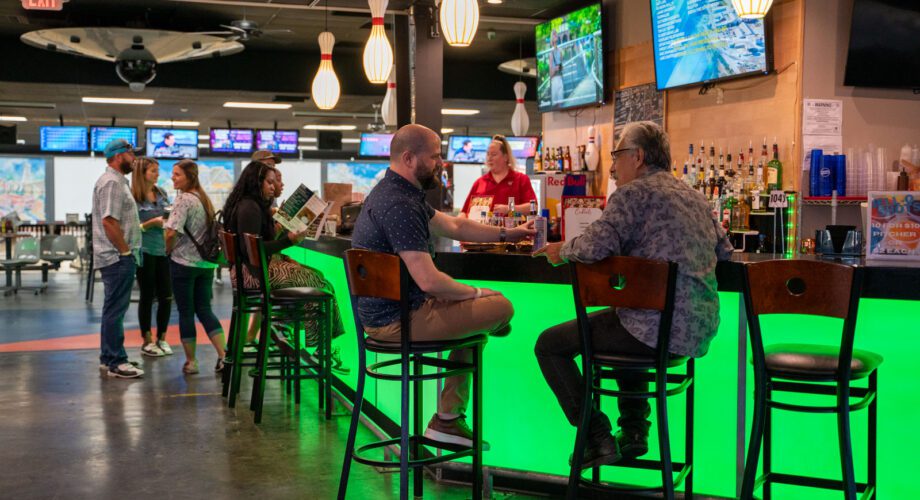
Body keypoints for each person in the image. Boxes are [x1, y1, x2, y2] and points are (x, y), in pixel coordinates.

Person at [535, 121, 734, 469]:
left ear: (638, 157)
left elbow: (594, 246)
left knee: (550, 345)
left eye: (617, 156)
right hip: (695, 332)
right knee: (627, 318)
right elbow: (726, 252)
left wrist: (563, 249)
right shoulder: (695, 196)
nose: (612, 167)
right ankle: (634, 432)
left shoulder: (631, 195)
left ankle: (596, 436)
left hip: (652, 331)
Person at [352, 124, 535, 448]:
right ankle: (447, 418)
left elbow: (454, 224)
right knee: (501, 305)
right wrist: (479, 294)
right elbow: (428, 280)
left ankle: (448, 421)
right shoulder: (400, 205)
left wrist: (509, 233)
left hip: (391, 315)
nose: (441, 163)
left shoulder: (394, 192)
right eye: (435, 157)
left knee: (476, 322)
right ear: (409, 158)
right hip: (399, 321)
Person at [222, 161, 349, 373]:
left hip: (250, 272)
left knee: (315, 276)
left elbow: (255, 247)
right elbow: (252, 249)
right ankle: (319, 347)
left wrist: (281, 251)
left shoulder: (246, 204)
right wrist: (289, 240)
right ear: (256, 181)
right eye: (269, 182)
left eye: (275, 182)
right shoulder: (250, 207)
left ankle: (289, 326)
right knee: (321, 283)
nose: (273, 187)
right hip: (254, 275)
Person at [164, 160, 226, 375]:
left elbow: (171, 231)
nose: (173, 177)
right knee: (205, 309)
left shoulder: (183, 200)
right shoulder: (204, 199)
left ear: (189, 177)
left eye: (177, 174)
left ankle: (191, 362)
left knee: (186, 313)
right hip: (205, 264)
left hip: (183, 264)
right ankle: (223, 355)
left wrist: (167, 250)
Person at [93, 139, 144, 378]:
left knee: (112, 308)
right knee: (116, 310)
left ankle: (108, 356)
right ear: (118, 156)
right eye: (131, 153)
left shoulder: (116, 182)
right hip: (116, 257)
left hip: (116, 256)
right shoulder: (112, 183)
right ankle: (117, 361)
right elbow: (109, 221)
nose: (134, 158)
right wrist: (124, 252)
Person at [131, 157, 173, 357]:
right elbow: (131, 228)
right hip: (144, 251)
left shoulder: (162, 193)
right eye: (153, 171)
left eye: (158, 170)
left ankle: (162, 338)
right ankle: (147, 340)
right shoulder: (133, 197)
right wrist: (150, 224)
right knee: (147, 296)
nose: (157, 174)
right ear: (142, 173)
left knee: (166, 296)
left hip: (163, 250)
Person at [460, 135, 537, 217]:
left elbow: (534, 208)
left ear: (506, 157)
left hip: (513, 229)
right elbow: (464, 212)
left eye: (493, 154)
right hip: (484, 229)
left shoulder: (521, 179)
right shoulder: (479, 182)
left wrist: (510, 209)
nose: (489, 158)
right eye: (488, 154)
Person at [549, 30, 565, 105]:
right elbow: (550, 73)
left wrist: (561, 67)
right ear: (551, 38)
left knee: (560, 104)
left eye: (556, 34)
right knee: (555, 105)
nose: (556, 36)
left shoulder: (560, 50)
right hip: (554, 80)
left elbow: (562, 66)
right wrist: (555, 69)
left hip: (560, 78)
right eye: (554, 35)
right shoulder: (550, 53)